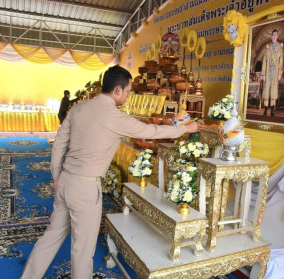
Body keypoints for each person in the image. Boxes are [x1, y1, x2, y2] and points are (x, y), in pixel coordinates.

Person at [20, 65, 199, 279]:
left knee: (51, 236)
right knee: (82, 249)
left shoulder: (78, 109)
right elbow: (152, 131)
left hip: (65, 180)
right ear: (117, 90)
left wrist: (56, 176)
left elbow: (58, 144)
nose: (128, 94)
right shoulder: (116, 118)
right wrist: (185, 129)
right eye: (128, 90)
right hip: (86, 188)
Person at [261, 29, 283, 117]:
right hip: (267, 71)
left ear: (277, 36)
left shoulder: (280, 47)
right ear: (271, 36)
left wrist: (280, 73)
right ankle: (266, 109)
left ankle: (272, 109)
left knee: (273, 90)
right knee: (267, 90)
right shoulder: (268, 47)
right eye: (272, 35)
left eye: (275, 35)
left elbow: (281, 61)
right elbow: (264, 61)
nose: (274, 36)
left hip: (275, 71)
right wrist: (263, 74)